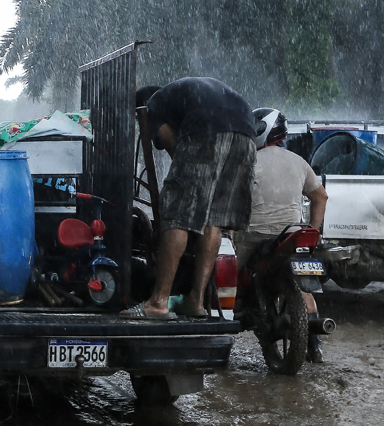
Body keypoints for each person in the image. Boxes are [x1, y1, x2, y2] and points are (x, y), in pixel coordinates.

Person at [125, 78, 256, 319]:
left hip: (207, 130)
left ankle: (158, 302)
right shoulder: (186, 94)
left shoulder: (153, 104)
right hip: (246, 133)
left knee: (178, 215)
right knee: (213, 218)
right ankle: (195, 301)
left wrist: (185, 180)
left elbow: (171, 143)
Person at [234, 107, 330, 362]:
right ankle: (315, 348)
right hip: (292, 237)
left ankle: (232, 314)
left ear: (262, 130)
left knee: (227, 280)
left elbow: (232, 204)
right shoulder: (299, 161)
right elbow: (320, 197)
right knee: (305, 287)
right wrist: (314, 231)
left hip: (254, 236)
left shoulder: (248, 161)